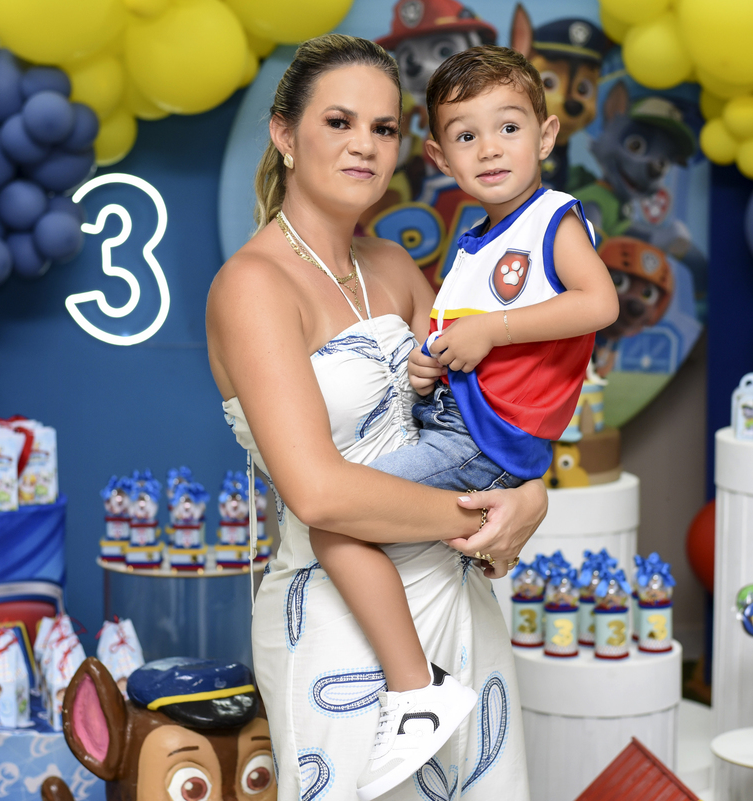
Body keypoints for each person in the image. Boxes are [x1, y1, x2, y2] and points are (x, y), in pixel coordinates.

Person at [207, 34, 547, 801]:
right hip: (339, 619)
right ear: (285, 134)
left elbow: (477, 417)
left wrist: (531, 492)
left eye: (384, 127)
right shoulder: (253, 285)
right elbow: (319, 493)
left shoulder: (396, 266)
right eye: (339, 121)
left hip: (456, 600)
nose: (365, 144)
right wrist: (483, 515)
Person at [304, 44, 617, 797]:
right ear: (441, 158)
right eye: (467, 136)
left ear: (546, 135)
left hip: (481, 438)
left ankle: (417, 692)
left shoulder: (552, 220)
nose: (491, 149)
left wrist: (489, 332)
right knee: (344, 517)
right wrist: (431, 364)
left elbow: (599, 303)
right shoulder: (474, 241)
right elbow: (462, 341)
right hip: (457, 420)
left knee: (337, 524)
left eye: (509, 127)